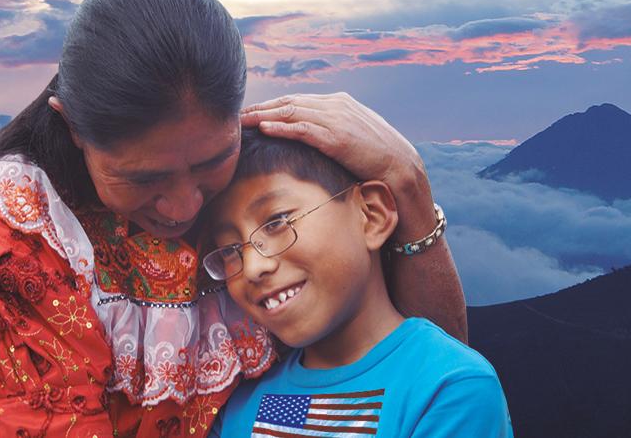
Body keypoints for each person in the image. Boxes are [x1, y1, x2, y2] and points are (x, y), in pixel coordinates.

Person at [0, 0, 466, 437]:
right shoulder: (16, 236)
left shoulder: (256, 174)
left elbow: (426, 386)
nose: (184, 207)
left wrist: (408, 182)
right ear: (73, 128)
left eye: (212, 160)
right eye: (145, 178)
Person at [203, 132, 513, 437]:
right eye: (230, 250)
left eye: (276, 223)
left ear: (372, 215)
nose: (253, 267)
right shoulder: (239, 403)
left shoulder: (449, 388)